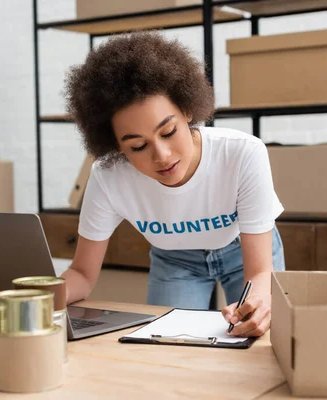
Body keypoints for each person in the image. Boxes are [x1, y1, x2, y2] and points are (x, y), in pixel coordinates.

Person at [61, 30, 285, 338]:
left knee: (259, 337)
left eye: (168, 132)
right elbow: (83, 275)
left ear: (187, 110)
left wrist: (260, 303)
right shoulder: (108, 176)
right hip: (175, 258)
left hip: (241, 247)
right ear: (116, 146)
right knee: (167, 345)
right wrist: (42, 297)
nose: (162, 156)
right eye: (138, 146)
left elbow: (260, 272)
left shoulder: (243, 153)